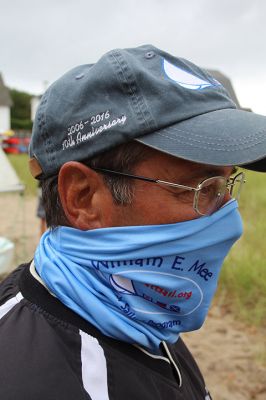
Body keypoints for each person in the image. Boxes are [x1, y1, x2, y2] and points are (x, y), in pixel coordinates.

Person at [0, 45, 265, 400]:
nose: (229, 220)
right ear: (84, 198)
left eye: (227, 183)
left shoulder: (130, 308)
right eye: (201, 187)